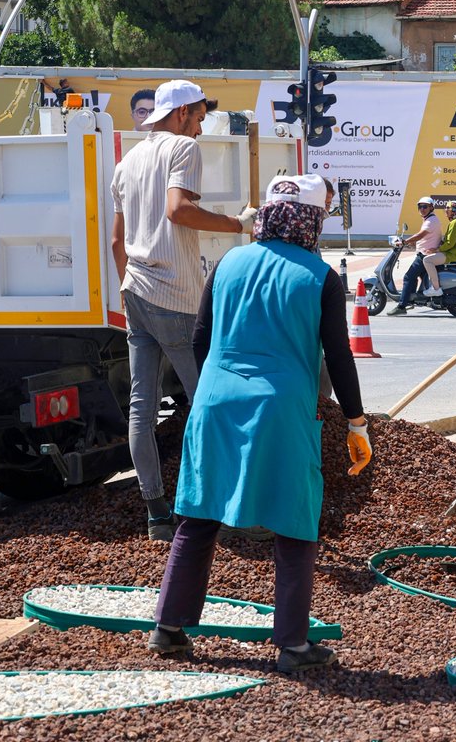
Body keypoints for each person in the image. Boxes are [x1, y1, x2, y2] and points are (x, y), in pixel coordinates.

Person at [148, 174, 371, 673]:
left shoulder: (228, 262)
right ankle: (292, 645)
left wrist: (217, 387)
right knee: (294, 520)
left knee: (199, 514)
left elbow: (201, 339)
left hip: (215, 400)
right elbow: (339, 357)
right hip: (280, 408)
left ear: (268, 213)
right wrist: (356, 423)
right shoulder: (319, 276)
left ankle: (168, 628)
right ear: (311, 221)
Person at [110, 79, 259, 541]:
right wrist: (237, 224)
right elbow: (178, 210)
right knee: (210, 403)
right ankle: (226, 514)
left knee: (141, 407)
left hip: (135, 289)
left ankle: (156, 514)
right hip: (174, 295)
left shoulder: (128, 160)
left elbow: (117, 240)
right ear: (179, 115)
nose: (198, 129)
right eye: (197, 118)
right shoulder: (181, 150)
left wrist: (127, 285)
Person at [387, 197, 444, 313]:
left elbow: (420, 235)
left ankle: (402, 305)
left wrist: (405, 242)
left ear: (431, 207)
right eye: (420, 207)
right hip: (424, 253)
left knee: (408, 277)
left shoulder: (430, 221)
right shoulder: (429, 219)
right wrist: (412, 244)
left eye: (425, 206)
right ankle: (412, 299)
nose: (422, 209)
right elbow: (425, 238)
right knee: (419, 278)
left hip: (424, 256)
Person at [431, 201, 456, 278]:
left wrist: (437, 250)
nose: (445, 209)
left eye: (448, 208)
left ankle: (435, 287)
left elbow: (450, 243)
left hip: (452, 255)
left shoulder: (455, 223)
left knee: (427, 260)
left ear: (455, 210)